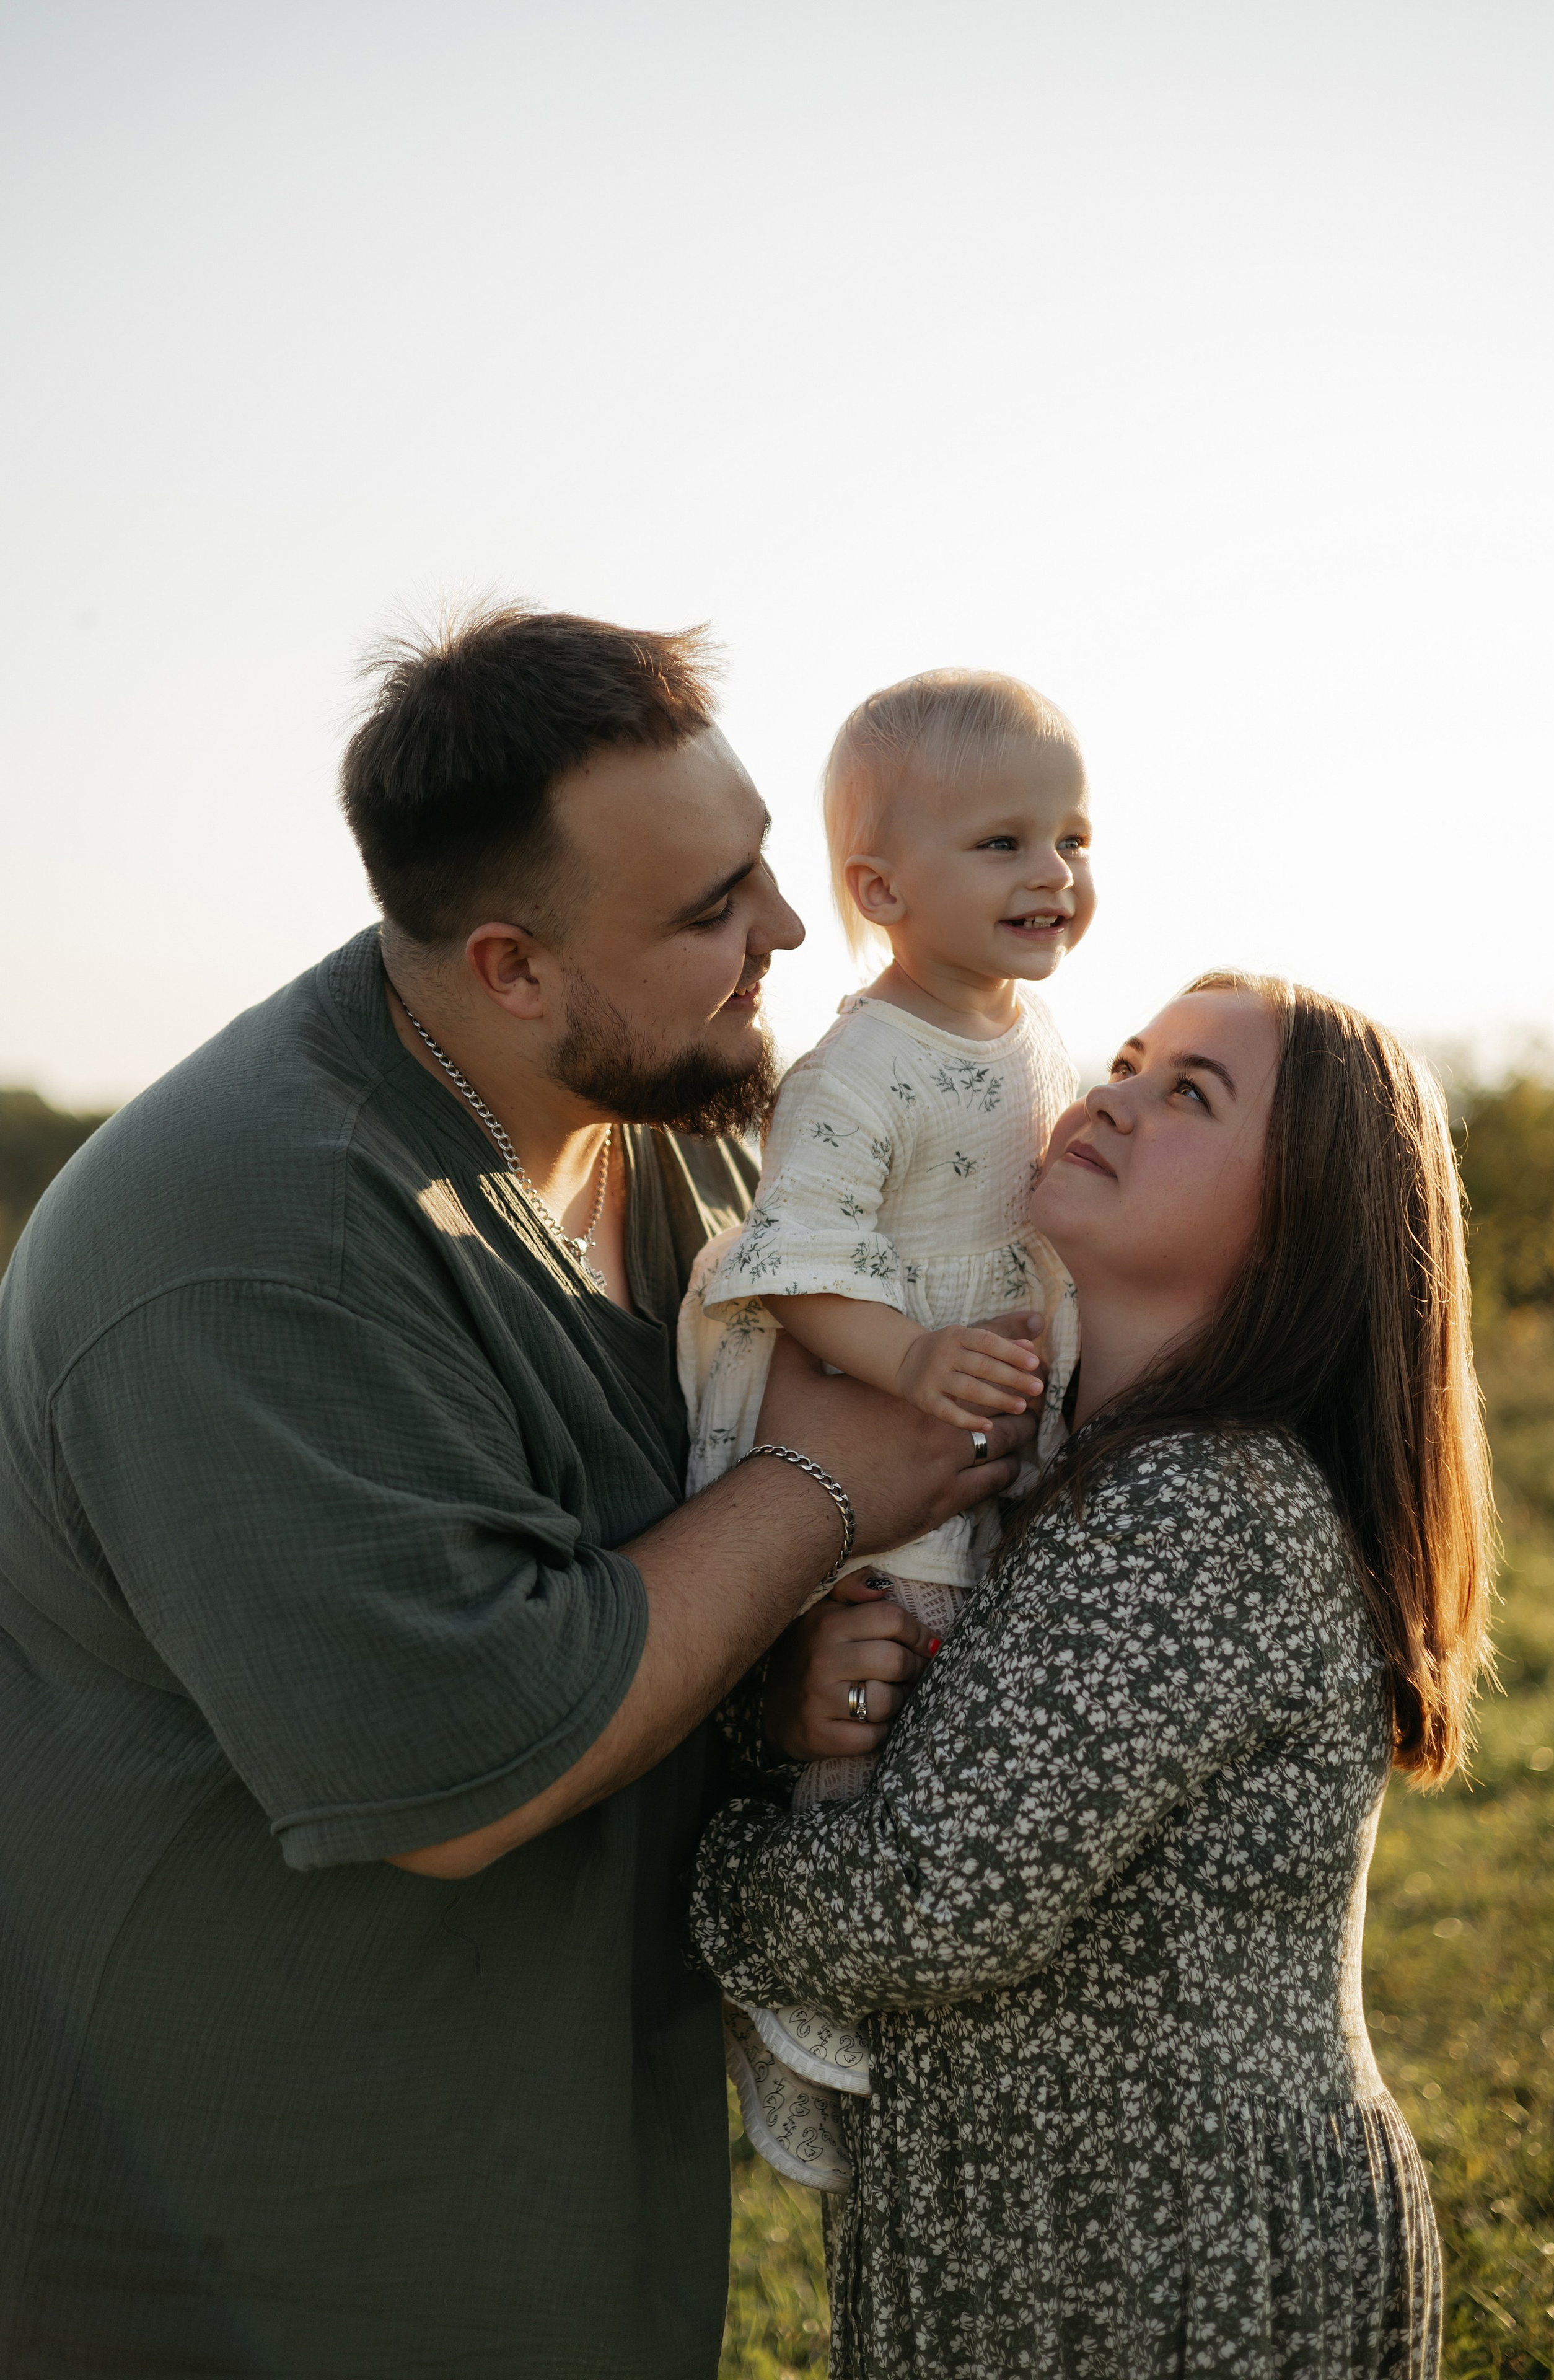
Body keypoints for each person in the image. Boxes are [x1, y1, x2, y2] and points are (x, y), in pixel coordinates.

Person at [0, 604, 1034, 2380]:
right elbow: (466, 1765)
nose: (788, 932)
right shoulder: (257, 1247)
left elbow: (647, 1549)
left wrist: (767, 1670)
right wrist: (822, 1493)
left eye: (760, 864)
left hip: (550, 2173)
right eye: (709, 911)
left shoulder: (676, 1114)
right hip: (241, 2234)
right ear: (512, 969)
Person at [691, 972, 1493, 2379]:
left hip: (1174, 2276)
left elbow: (922, 1907)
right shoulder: (1062, 1478)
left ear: (1300, 1224)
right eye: (1124, 1061)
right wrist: (793, 1707)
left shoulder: (1195, 1508)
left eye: (1189, 1093)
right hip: (1063, 2269)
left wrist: (678, 1847)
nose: (1113, 1098)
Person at [679, 669, 1092, 2185]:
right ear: (878, 890)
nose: (1052, 873)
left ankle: (915, 1973)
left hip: (986, 1416)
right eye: (1001, 844)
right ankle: (808, 1993)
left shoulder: (1032, 1031)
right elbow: (795, 1259)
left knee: (958, 1683)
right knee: (882, 1653)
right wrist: (909, 1355)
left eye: (1071, 838)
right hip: (875, 1409)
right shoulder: (859, 1067)